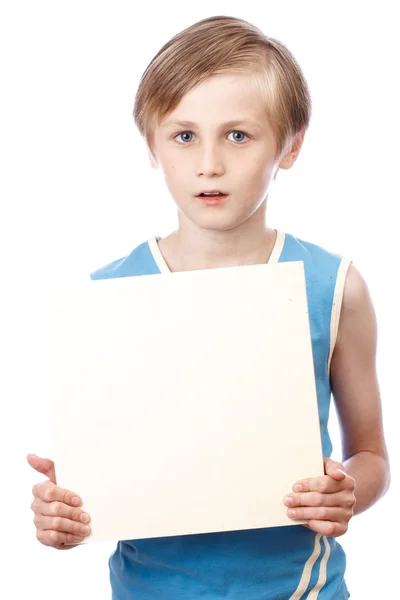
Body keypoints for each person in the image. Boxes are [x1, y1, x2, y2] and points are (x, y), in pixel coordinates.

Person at [27, 14, 390, 599]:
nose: (209, 164)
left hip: (304, 590)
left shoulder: (335, 286)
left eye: (239, 135)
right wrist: (64, 514)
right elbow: (103, 482)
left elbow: (371, 455)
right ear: (153, 145)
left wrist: (346, 490)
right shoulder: (107, 298)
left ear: (291, 146)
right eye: (184, 135)